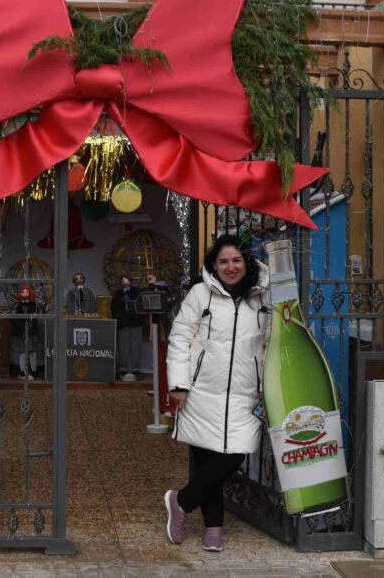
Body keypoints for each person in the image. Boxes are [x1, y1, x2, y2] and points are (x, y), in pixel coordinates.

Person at [163, 234, 270, 552]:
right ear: (214, 264)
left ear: (247, 261)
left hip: (244, 393)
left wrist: (266, 384)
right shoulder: (200, 294)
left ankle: (180, 501)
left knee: (236, 452)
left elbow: (270, 343)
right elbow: (180, 337)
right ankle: (214, 526)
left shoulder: (264, 297)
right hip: (201, 391)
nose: (230, 266)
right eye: (223, 261)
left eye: (236, 259)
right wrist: (179, 385)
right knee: (205, 456)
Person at [111, 275, 143, 382]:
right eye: (123, 280)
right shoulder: (118, 294)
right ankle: (123, 368)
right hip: (122, 324)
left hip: (135, 323)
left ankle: (135, 369)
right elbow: (114, 308)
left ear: (131, 281)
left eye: (127, 280)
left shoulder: (137, 292)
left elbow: (141, 306)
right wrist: (120, 318)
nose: (125, 282)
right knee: (122, 347)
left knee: (136, 346)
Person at [9, 284, 41, 381]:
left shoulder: (33, 304)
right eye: (23, 292)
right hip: (21, 331)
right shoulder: (17, 305)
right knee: (22, 352)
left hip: (31, 331)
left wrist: (32, 327)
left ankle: (34, 371)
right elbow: (14, 319)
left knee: (32, 352)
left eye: (26, 291)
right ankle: (22, 372)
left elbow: (35, 318)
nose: (25, 293)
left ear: (30, 293)